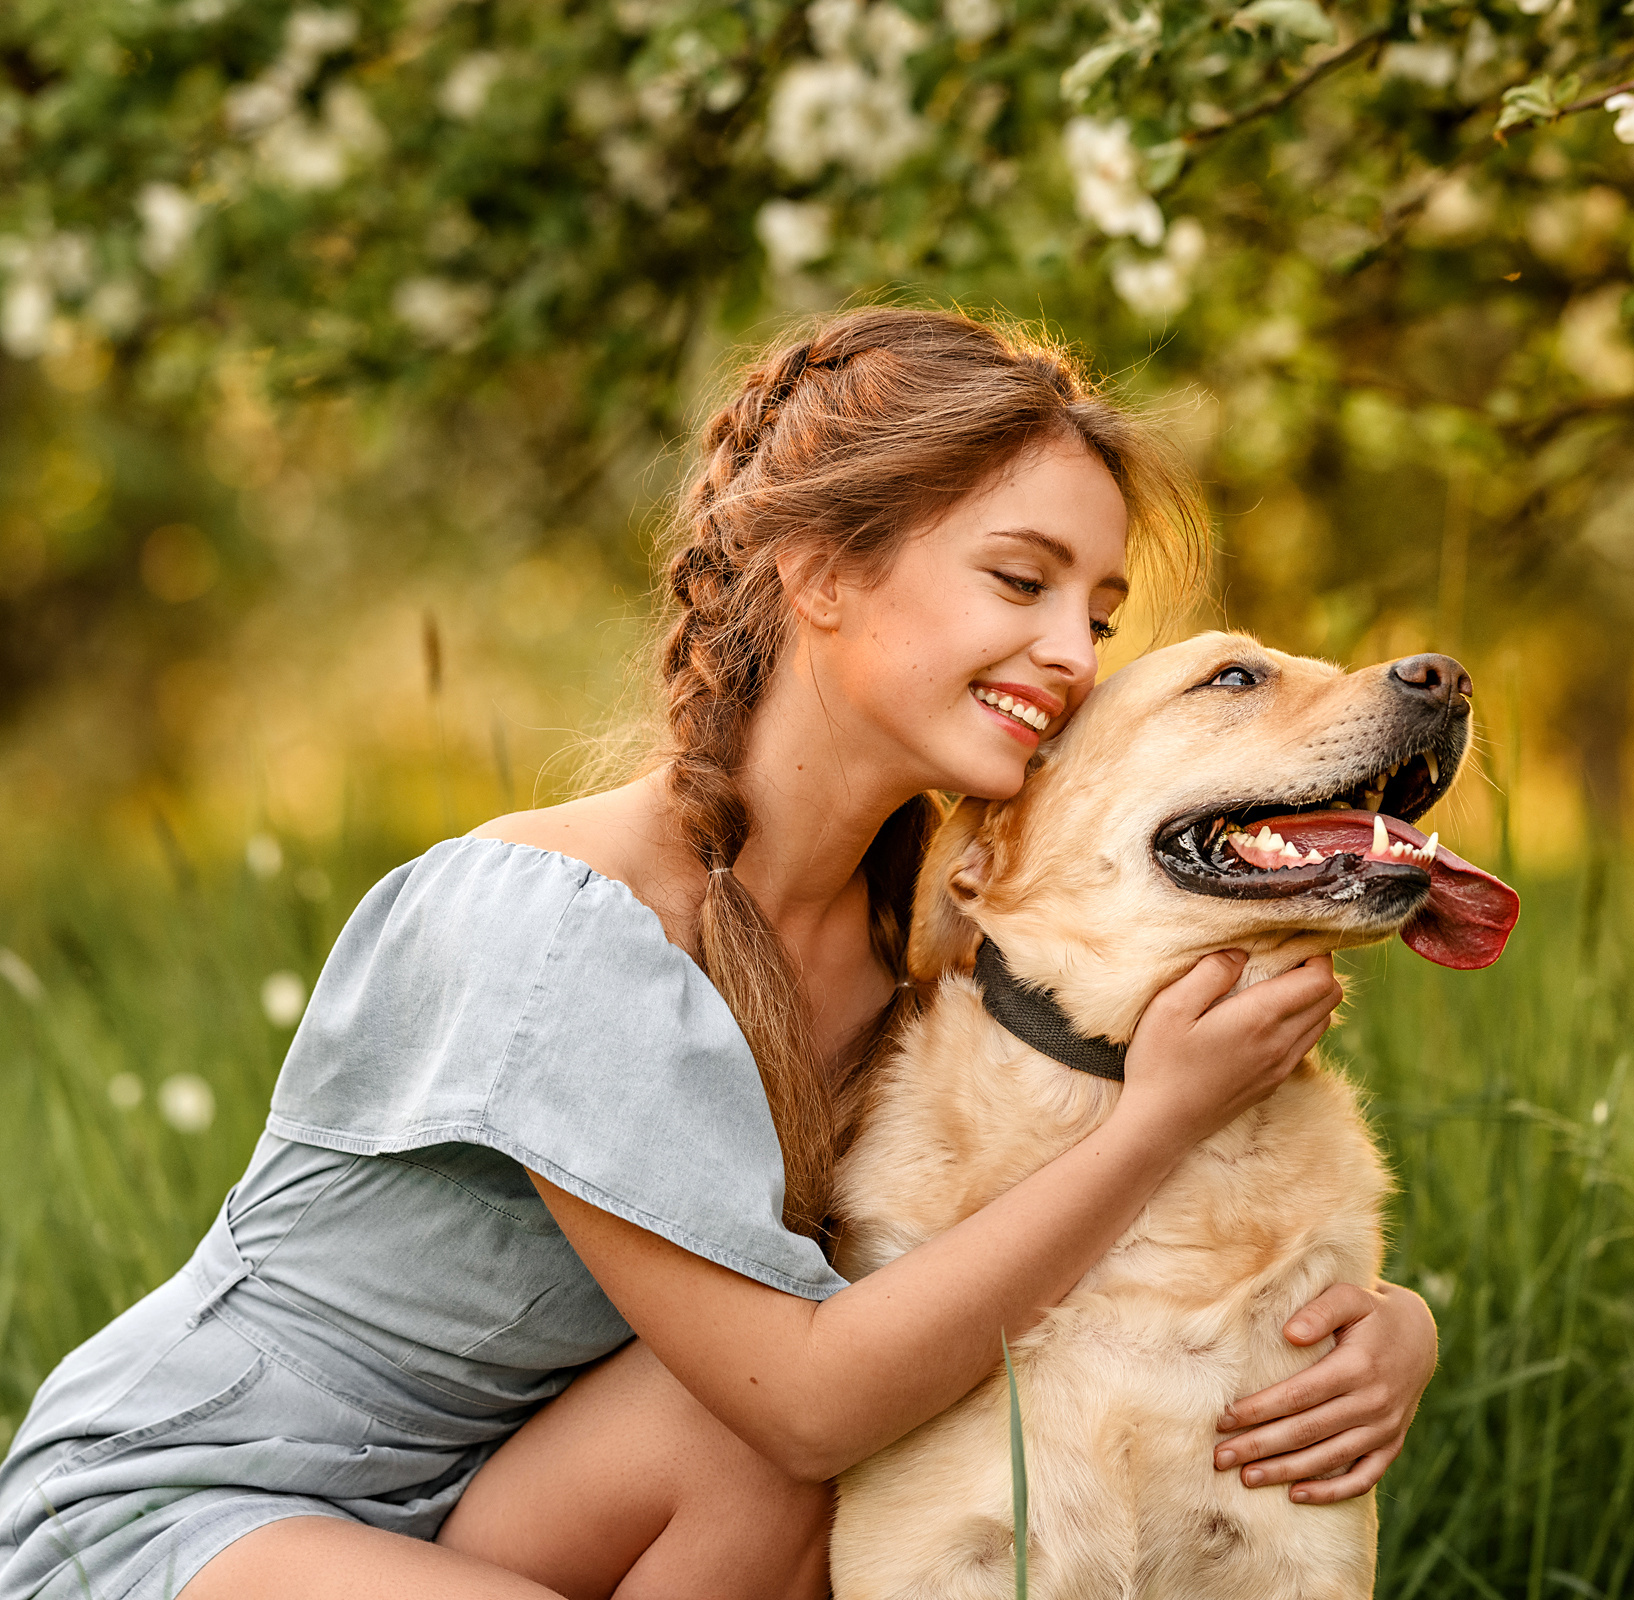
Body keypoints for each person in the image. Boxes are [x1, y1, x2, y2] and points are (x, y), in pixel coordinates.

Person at [0, 306, 1440, 1600]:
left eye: (1100, 615)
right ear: (818, 572)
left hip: (523, 1496)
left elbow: (936, 1327)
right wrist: (1156, 1117)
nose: (1071, 652)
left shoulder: (924, 953)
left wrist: (1390, 1323)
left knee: (782, 1453)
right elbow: (815, 1392)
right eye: (1019, 581)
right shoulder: (549, 923)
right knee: (806, 1419)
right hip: (206, 1505)